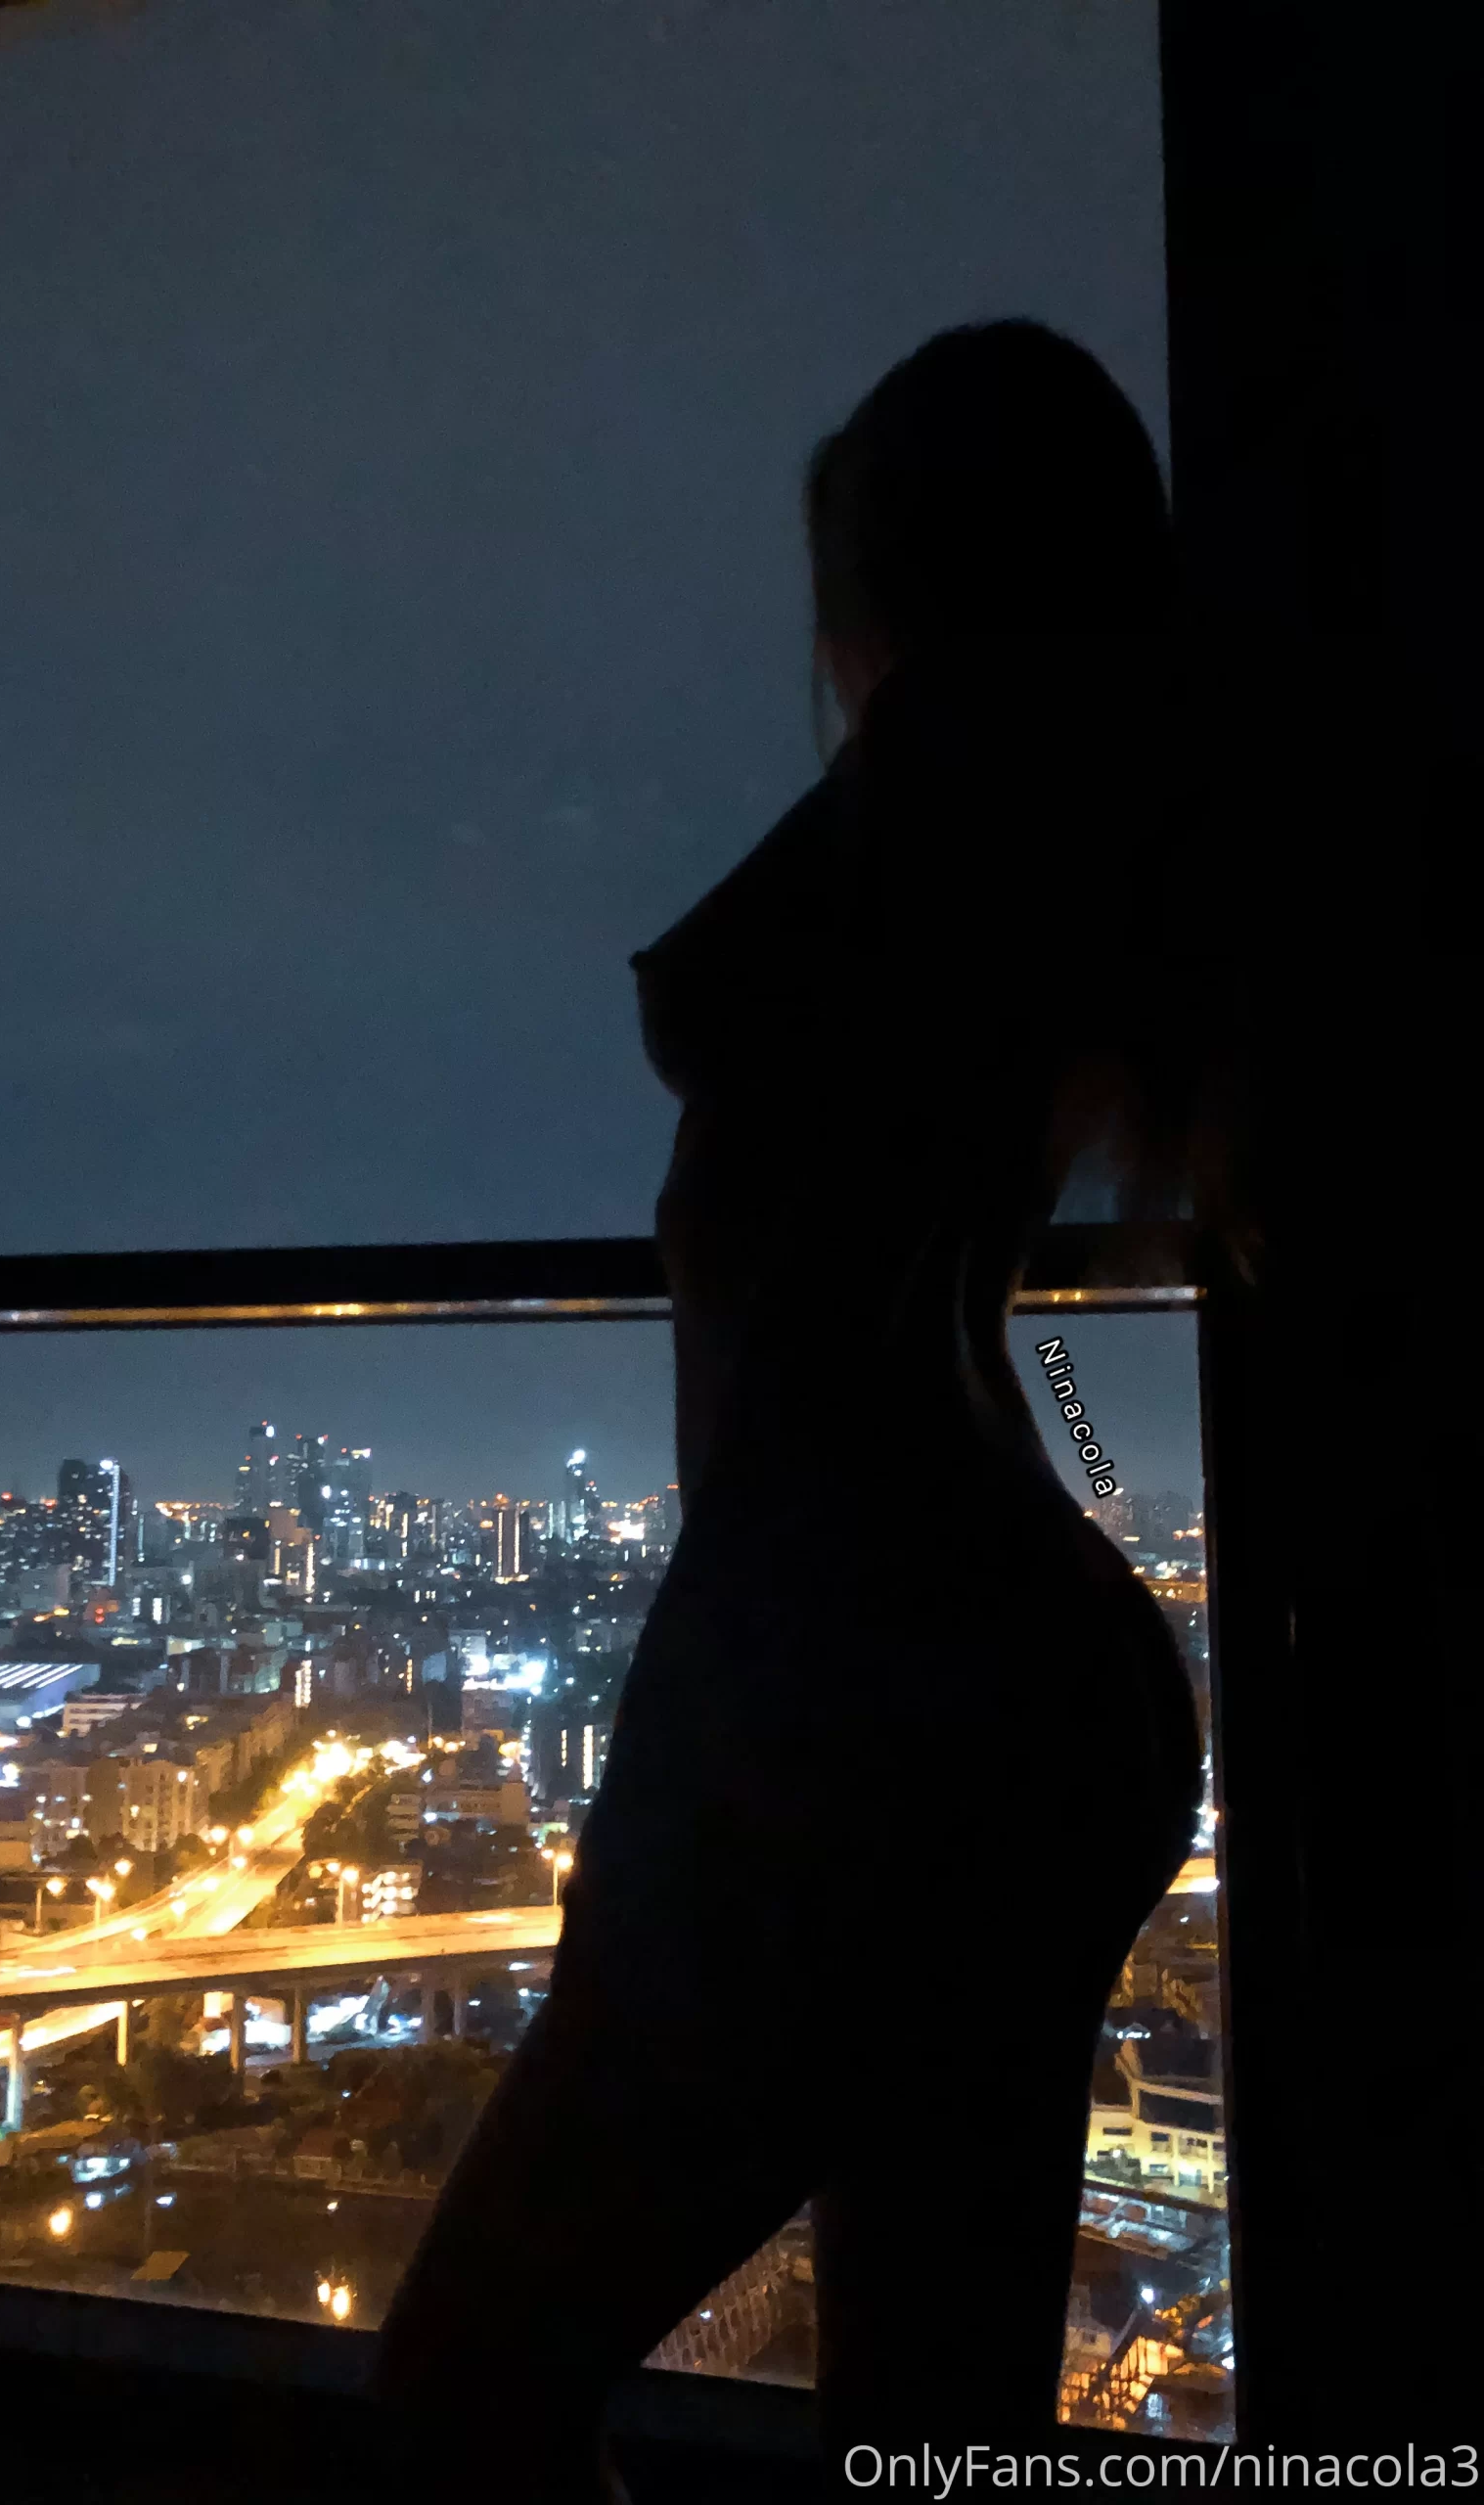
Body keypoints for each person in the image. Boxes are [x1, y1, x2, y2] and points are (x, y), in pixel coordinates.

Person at [371, 321, 1226, 2496]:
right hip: (999, 1707)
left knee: (465, 2395)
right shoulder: (1066, 857)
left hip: (833, 1721)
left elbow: (706, 1001)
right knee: (930, 2431)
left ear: (902, 595)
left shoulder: (932, 840)